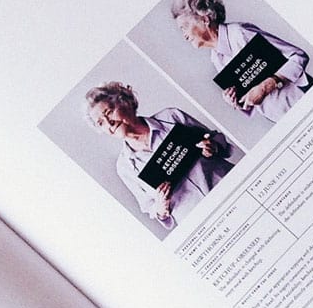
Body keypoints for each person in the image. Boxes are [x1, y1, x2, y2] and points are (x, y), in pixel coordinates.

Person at [85, 82, 240, 229]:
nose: (109, 123)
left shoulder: (171, 117)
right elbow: (149, 206)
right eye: (101, 123)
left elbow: (217, 139)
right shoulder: (125, 166)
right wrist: (161, 207)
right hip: (200, 221)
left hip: (232, 190)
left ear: (124, 102)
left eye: (109, 112)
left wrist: (213, 146)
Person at [173, 0, 313, 122]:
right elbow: (251, 99)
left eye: (184, 27)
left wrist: (266, 86)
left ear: (205, 19)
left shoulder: (240, 33)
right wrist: (236, 100)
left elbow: (298, 56)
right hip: (281, 119)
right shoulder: (215, 58)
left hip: (305, 102)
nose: (184, 35)